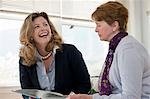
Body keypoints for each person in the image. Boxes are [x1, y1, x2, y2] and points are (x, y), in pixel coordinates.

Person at [67, 1, 150, 99]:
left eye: (99, 25)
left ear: (115, 25)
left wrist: (90, 98)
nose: (96, 29)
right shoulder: (116, 48)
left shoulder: (129, 50)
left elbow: (131, 97)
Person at [19, 11, 91, 98]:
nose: (43, 28)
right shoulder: (25, 59)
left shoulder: (70, 51)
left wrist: (71, 97)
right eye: (37, 26)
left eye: (45, 24)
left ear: (51, 30)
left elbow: (85, 84)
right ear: (30, 34)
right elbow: (26, 92)